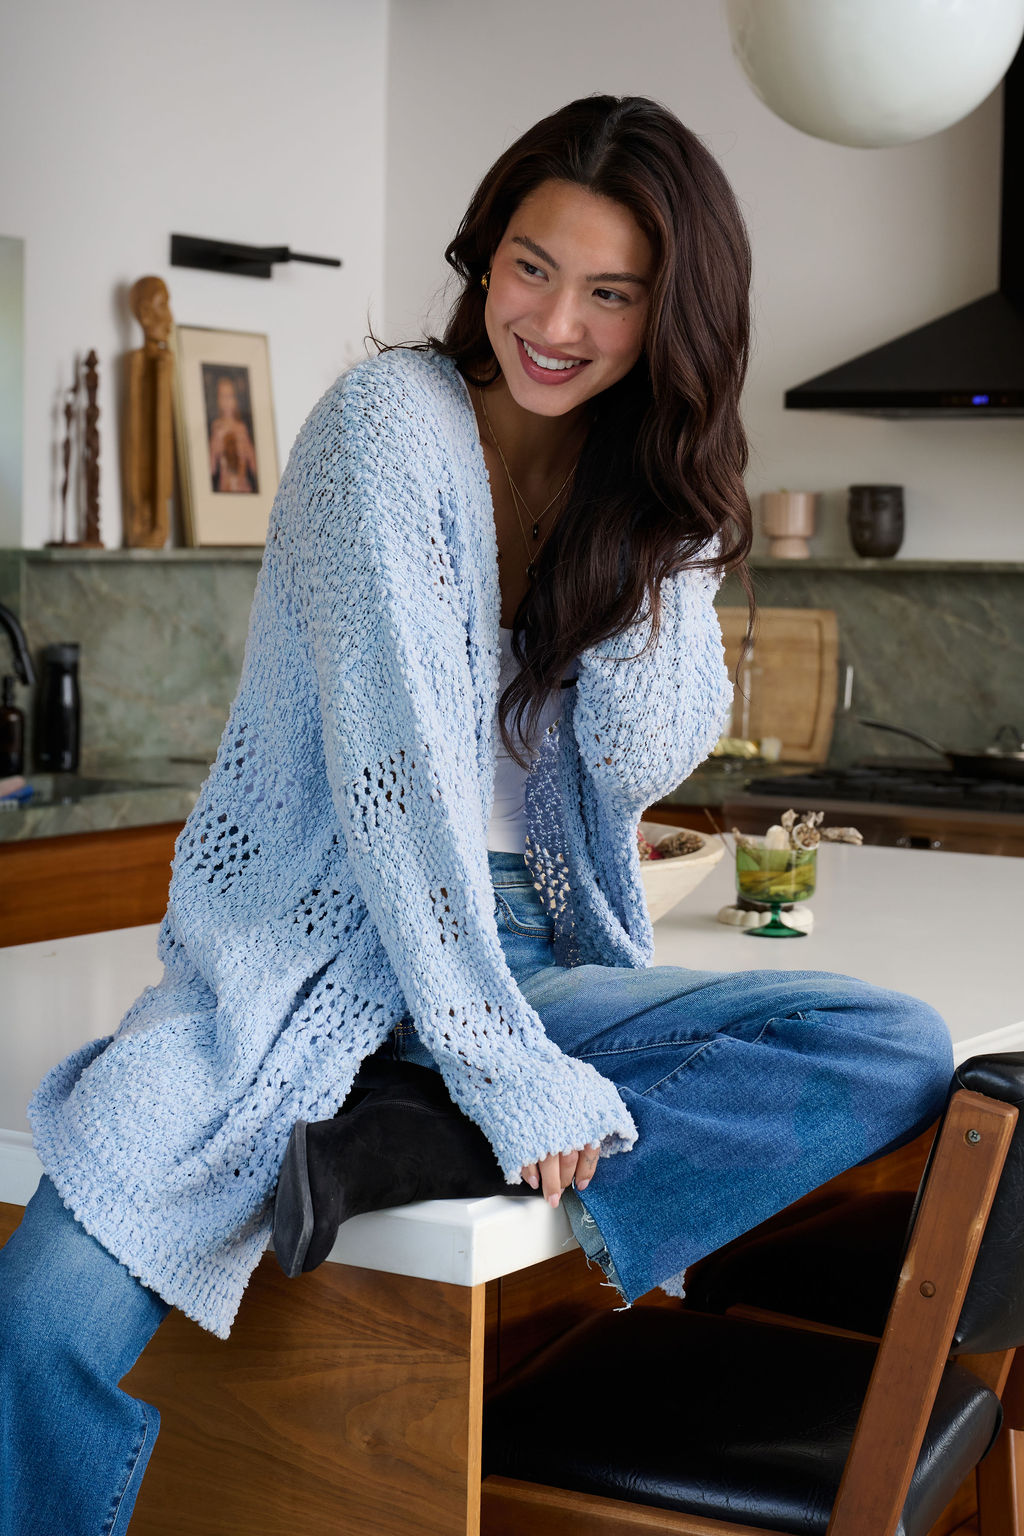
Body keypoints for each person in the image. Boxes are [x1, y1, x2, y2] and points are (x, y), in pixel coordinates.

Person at [0, 94, 953, 1534]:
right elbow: (398, 799)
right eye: (530, 266)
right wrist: (497, 1059)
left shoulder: (641, 485)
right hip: (319, 947)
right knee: (43, 1312)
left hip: (529, 956)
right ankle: (447, 1100)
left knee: (893, 1045)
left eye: (613, 294)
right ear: (482, 260)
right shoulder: (387, 429)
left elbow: (636, 753)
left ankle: (431, 1126)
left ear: (669, 318)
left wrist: (669, 508)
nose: (555, 320)